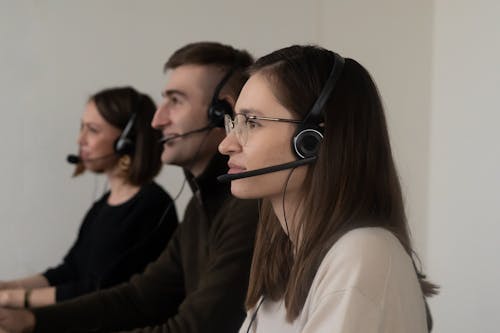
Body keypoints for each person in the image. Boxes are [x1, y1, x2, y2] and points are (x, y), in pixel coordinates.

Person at [0, 41, 258, 333]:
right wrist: (31, 320)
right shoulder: (199, 207)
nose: (157, 120)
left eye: (176, 101)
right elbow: (140, 297)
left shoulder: (248, 206)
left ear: (222, 111)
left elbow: (195, 328)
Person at [218, 45, 438, 332]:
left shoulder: (361, 254)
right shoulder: (286, 254)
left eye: (253, 122)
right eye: (234, 123)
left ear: (312, 139)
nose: (226, 144)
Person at [0, 86, 178, 308]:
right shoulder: (103, 205)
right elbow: (71, 270)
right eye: (82, 127)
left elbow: (104, 288)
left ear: (127, 141)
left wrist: (14, 299)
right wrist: (8, 287)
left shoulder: (151, 205)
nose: (80, 139)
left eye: (93, 130)